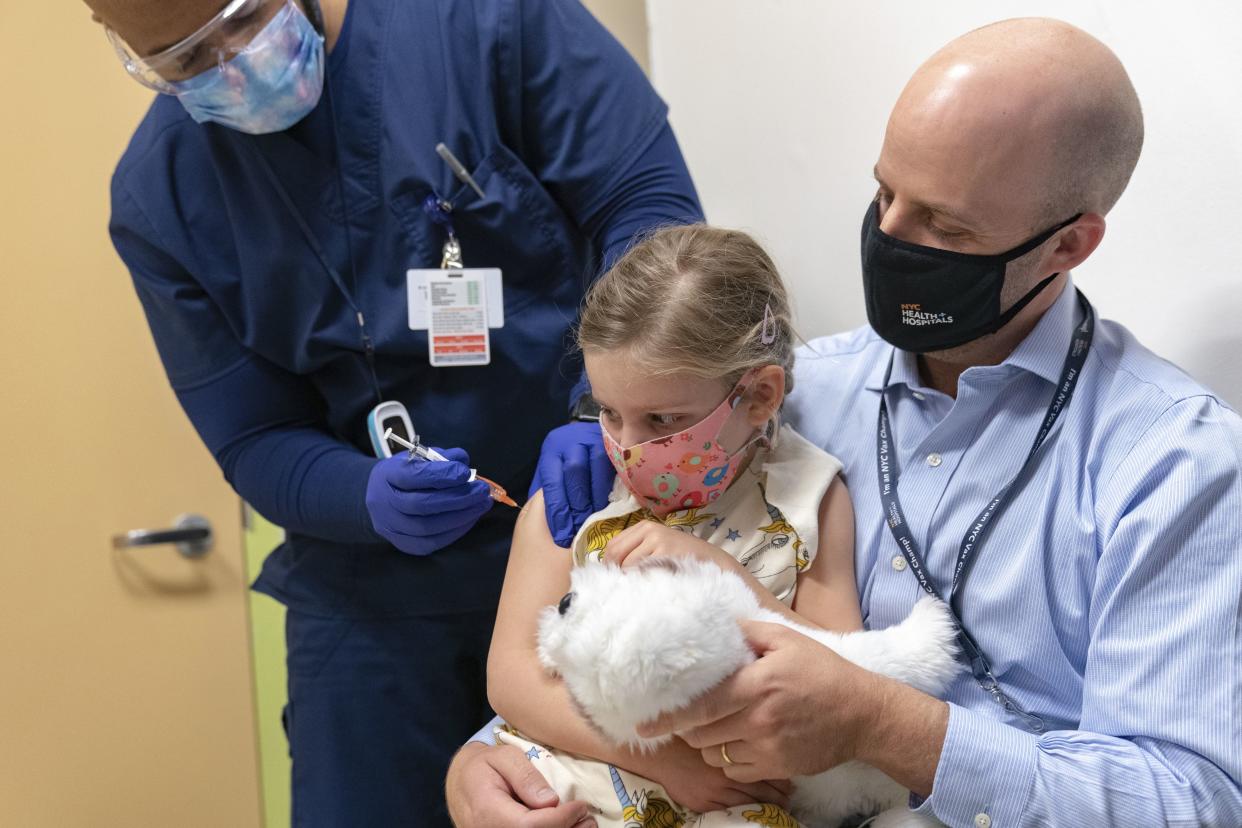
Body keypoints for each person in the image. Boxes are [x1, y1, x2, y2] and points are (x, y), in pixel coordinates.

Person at [446, 17, 1242, 827]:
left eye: (945, 225)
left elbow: (1189, 802)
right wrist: (486, 764)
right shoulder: (771, 398)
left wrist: (882, 723)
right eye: (884, 193)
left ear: (1068, 243)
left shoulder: (1174, 464)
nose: (892, 237)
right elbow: (609, 641)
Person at [85, 0, 702, 823]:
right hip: (370, 601)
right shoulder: (161, 196)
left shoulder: (484, 24)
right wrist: (363, 496)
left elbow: (649, 205)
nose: (231, 65)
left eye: (242, 21)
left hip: (586, 530)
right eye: (182, 61)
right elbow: (255, 436)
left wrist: (604, 410)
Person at [488, 224, 868, 825]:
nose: (628, 447)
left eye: (664, 419)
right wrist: (664, 760)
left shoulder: (809, 499)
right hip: (577, 787)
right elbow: (510, 678)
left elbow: (849, 675)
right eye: (607, 411)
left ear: (759, 397)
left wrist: (729, 581)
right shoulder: (579, 496)